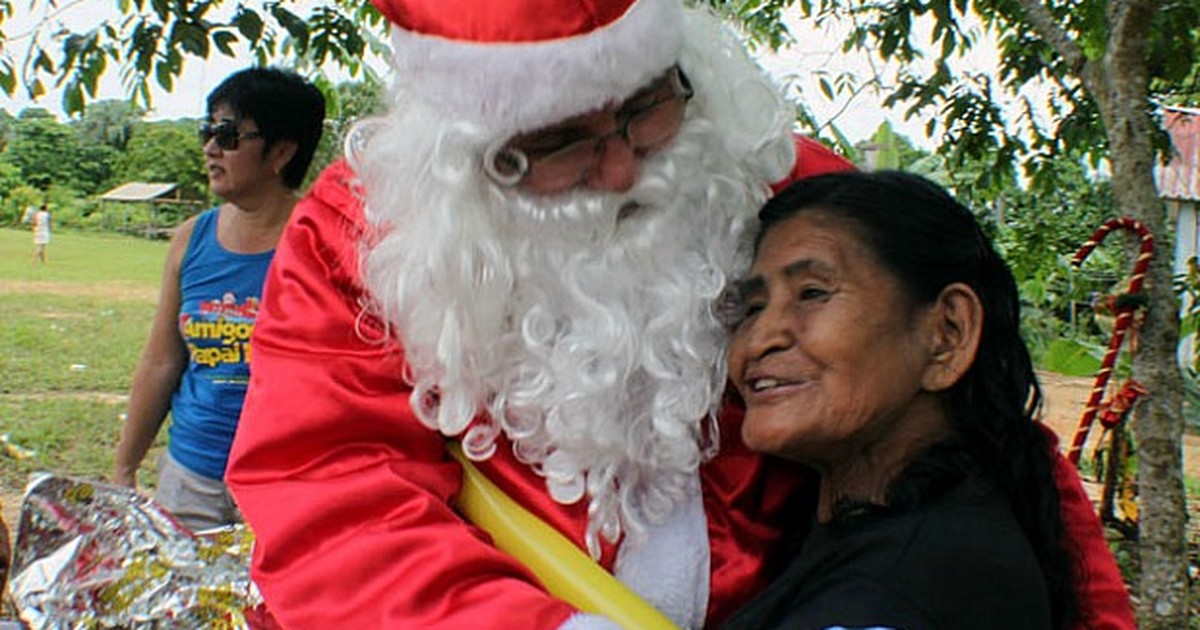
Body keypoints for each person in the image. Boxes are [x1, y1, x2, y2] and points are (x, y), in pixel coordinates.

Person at [226, 1, 1134, 628]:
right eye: (560, 143)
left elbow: (984, 435)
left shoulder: (780, 183)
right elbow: (331, 499)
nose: (623, 169)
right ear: (468, 157)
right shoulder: (366, 236)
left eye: (647, 108)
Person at [721, 170, 1100, 630]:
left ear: (947, 334)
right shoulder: (893, 537)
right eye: (753, 308)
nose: (760, 338)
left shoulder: (900, 589)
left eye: (813, 293)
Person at [113, 67, 325, 533]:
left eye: (228, 134)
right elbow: (162, 362)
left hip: (286, 485)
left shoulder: (324, 243)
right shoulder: (192, 240)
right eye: (208, 130)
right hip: (190, 477)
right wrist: (125, 468)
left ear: (283, 151)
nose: (210, 146)